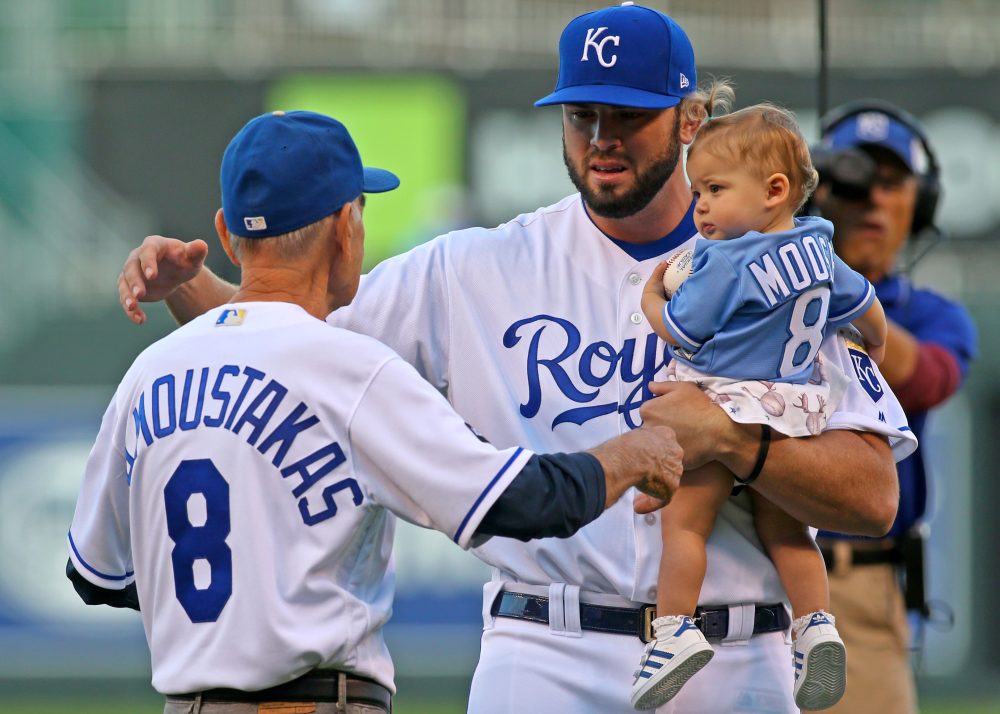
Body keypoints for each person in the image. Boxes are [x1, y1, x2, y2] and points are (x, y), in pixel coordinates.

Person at [115, 5, 918, 712]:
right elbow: (286, 341)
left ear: (689, 120)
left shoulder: (782, 265)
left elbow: (874, 495)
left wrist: (737, 439)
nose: (601, 139)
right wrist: (192, 289)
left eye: (627, 116)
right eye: (581, 115)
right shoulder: (476, 267)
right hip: (544, 648)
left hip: (734, 649)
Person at [67, 109, 687, 714]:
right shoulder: (352, 369)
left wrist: (241, 612)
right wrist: (631, 454)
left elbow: (95, 576)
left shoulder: (149, 373)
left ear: (227, 235)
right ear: (346, 227)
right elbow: (520, 502)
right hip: (320, 700)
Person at [632, 97, 887, 711]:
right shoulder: (819, 248)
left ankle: (674, 630)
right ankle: (816, 622)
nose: (701, 206)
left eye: (715, 189)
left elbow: (684, 332)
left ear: (774, 190)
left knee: (684, 523)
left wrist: (651, 302)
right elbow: (866, 306)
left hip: (725, 401)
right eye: (698, 191)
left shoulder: (725, 260)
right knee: (788, 529)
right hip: (797, 408)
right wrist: (873, 347)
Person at [809, 101, 978, 714]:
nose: (873, 199)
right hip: (741, 571)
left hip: (858, 584)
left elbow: (929, 378)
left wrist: (827, 288)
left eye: (892, 182)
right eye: (853, 180)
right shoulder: (764, 284)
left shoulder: (931, 314)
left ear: (920, 202)